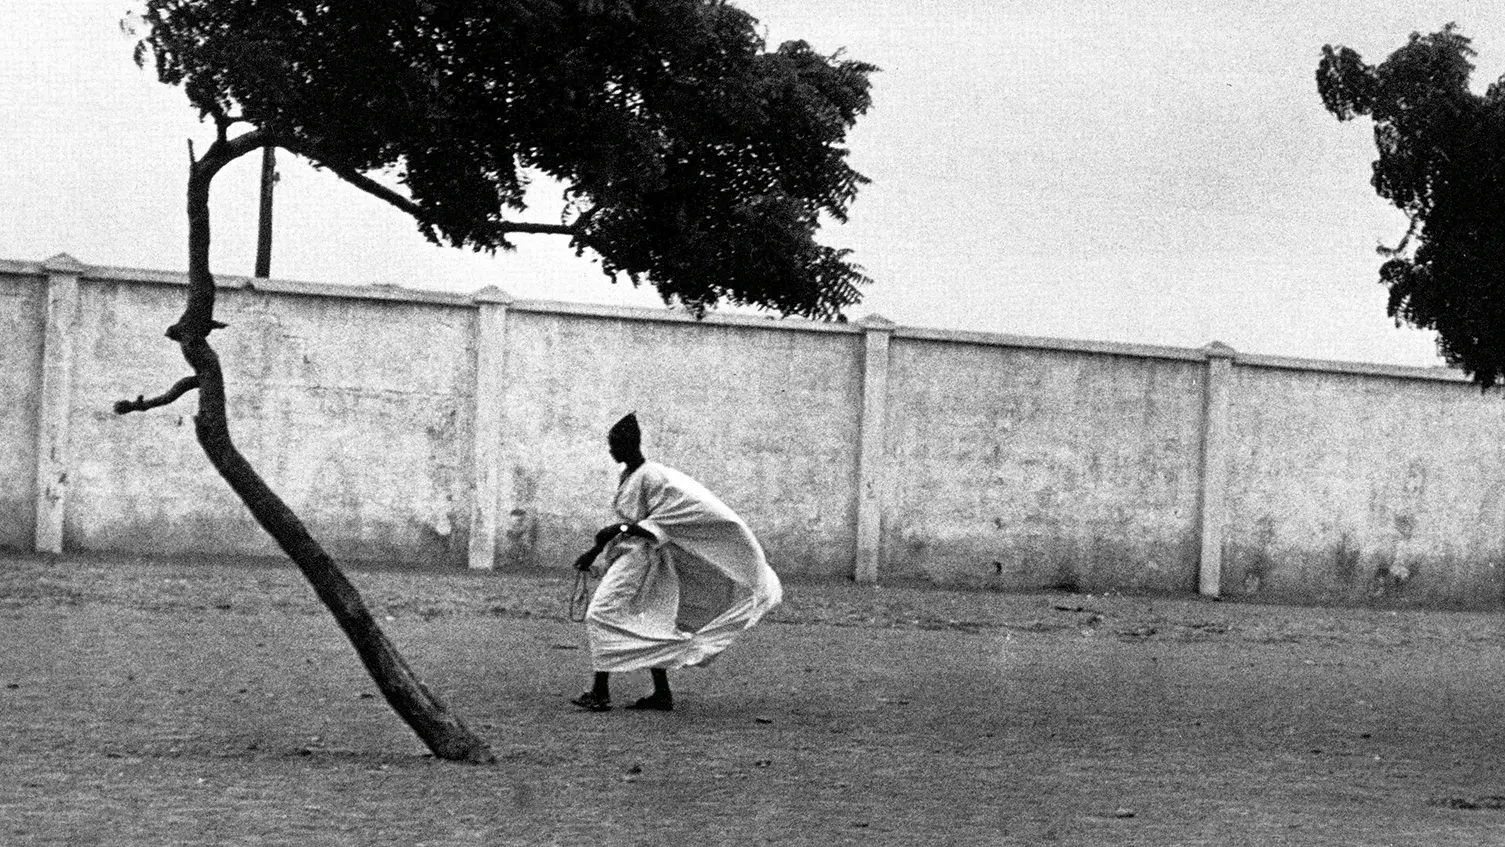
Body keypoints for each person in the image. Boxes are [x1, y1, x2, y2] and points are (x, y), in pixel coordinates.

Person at [569, 412, 783, 712]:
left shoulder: (652, 476)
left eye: (615, 443)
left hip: (642, 558)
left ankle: (600, 691)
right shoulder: (629, 476)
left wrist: (614, 531)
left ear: (631, 443)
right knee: (653, 618)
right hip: (633, 555)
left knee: (600, 613)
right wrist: (596, 549)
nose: (611, 450)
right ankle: (661, 693)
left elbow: (658, 525)